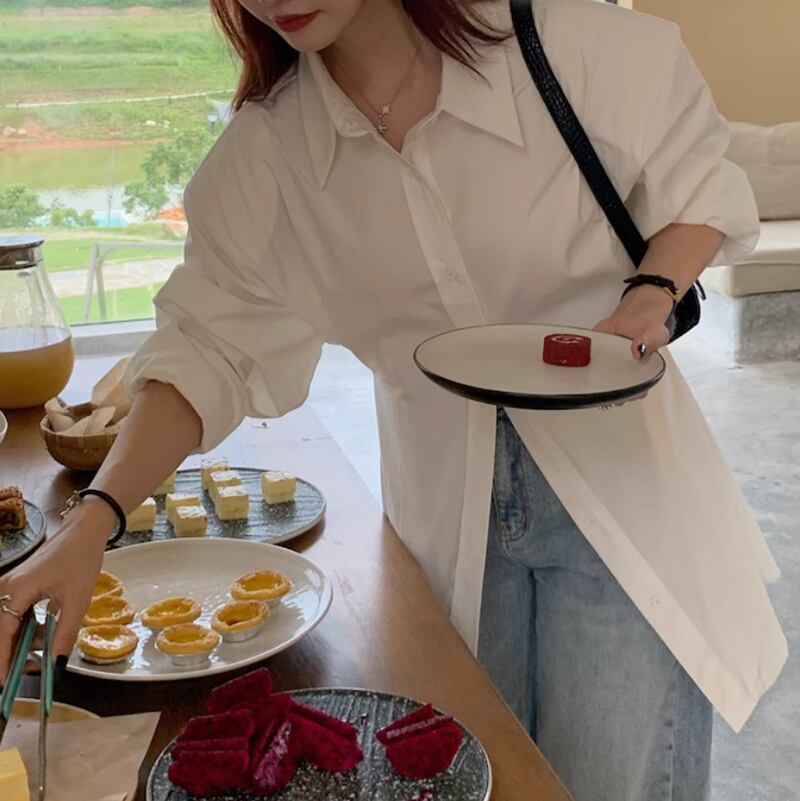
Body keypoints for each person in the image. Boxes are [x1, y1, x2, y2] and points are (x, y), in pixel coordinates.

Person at [0, 1, 786, 799]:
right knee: (487, 778)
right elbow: (207, 348)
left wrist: (653, 290)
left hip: (624, 496)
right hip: (446, 520)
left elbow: (699, 173)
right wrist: (92, 522)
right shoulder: (273, 154)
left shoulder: (555, 46)